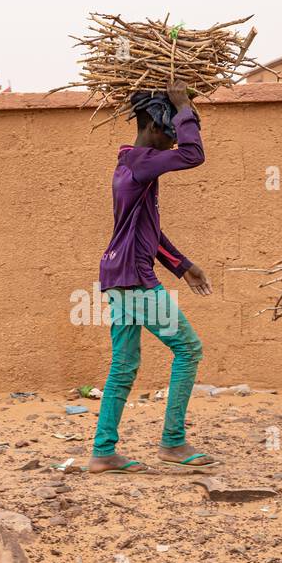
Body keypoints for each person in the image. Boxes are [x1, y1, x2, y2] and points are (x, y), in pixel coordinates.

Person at [88, 80, 219, 475]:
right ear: (153, 127)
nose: (172, 142)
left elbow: (146, 232)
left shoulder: (129, 166)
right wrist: (183, 106)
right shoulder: (142, 163)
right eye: (170, 132)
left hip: (118, 276)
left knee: (123, 365)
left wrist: (183, 265)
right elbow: (194, 155)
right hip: (136, 282)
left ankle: (103, 452)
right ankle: (174, 442)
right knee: (189, 349)